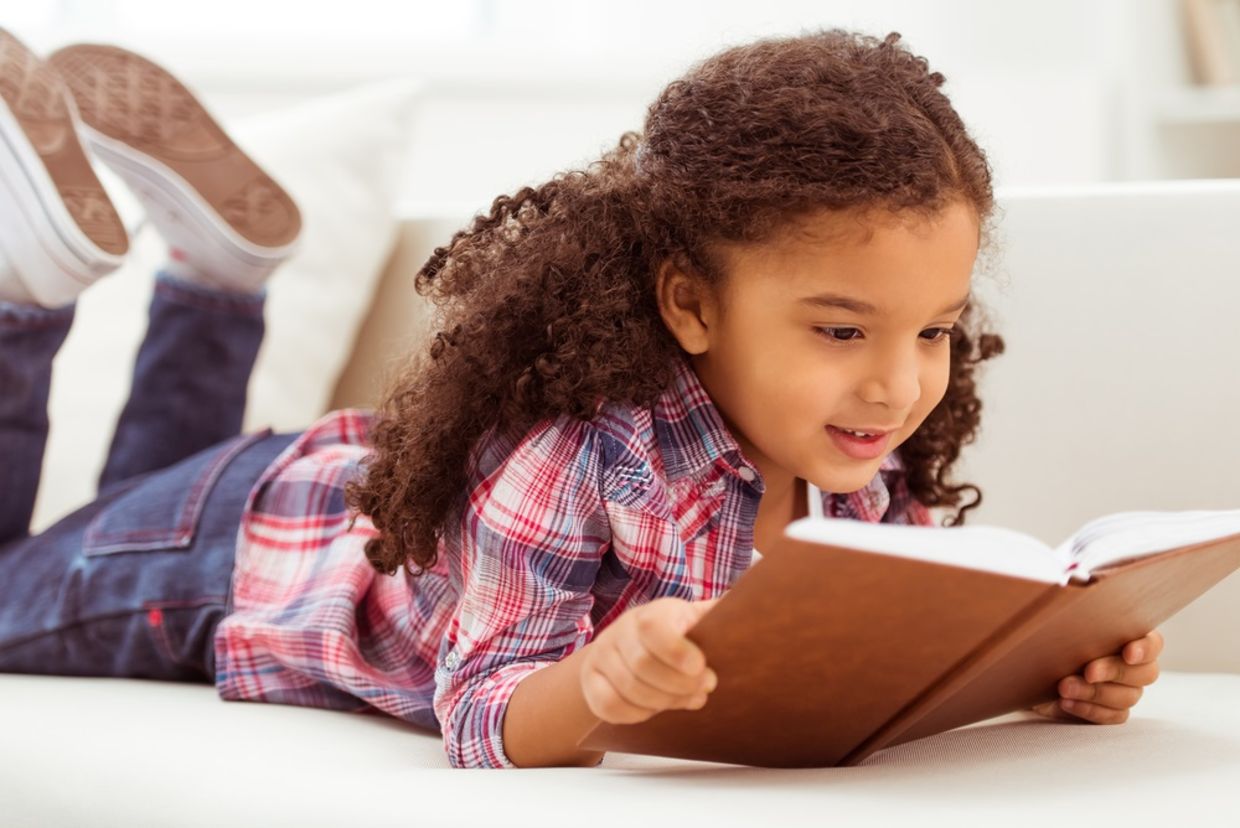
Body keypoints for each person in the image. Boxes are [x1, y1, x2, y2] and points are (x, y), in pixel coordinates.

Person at [0, 27, 1165, 770]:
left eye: (933, 332)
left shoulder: (853, 459)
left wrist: (1047, 674)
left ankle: (217, 280)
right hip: (232, 553)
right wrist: (591, 689)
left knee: (114, 500)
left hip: (275, 494)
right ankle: (33, 293)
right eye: (841, 329)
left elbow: (879, 664)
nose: (896, 381)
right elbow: (480, 715)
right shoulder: (575, 457)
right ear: (690, 305)